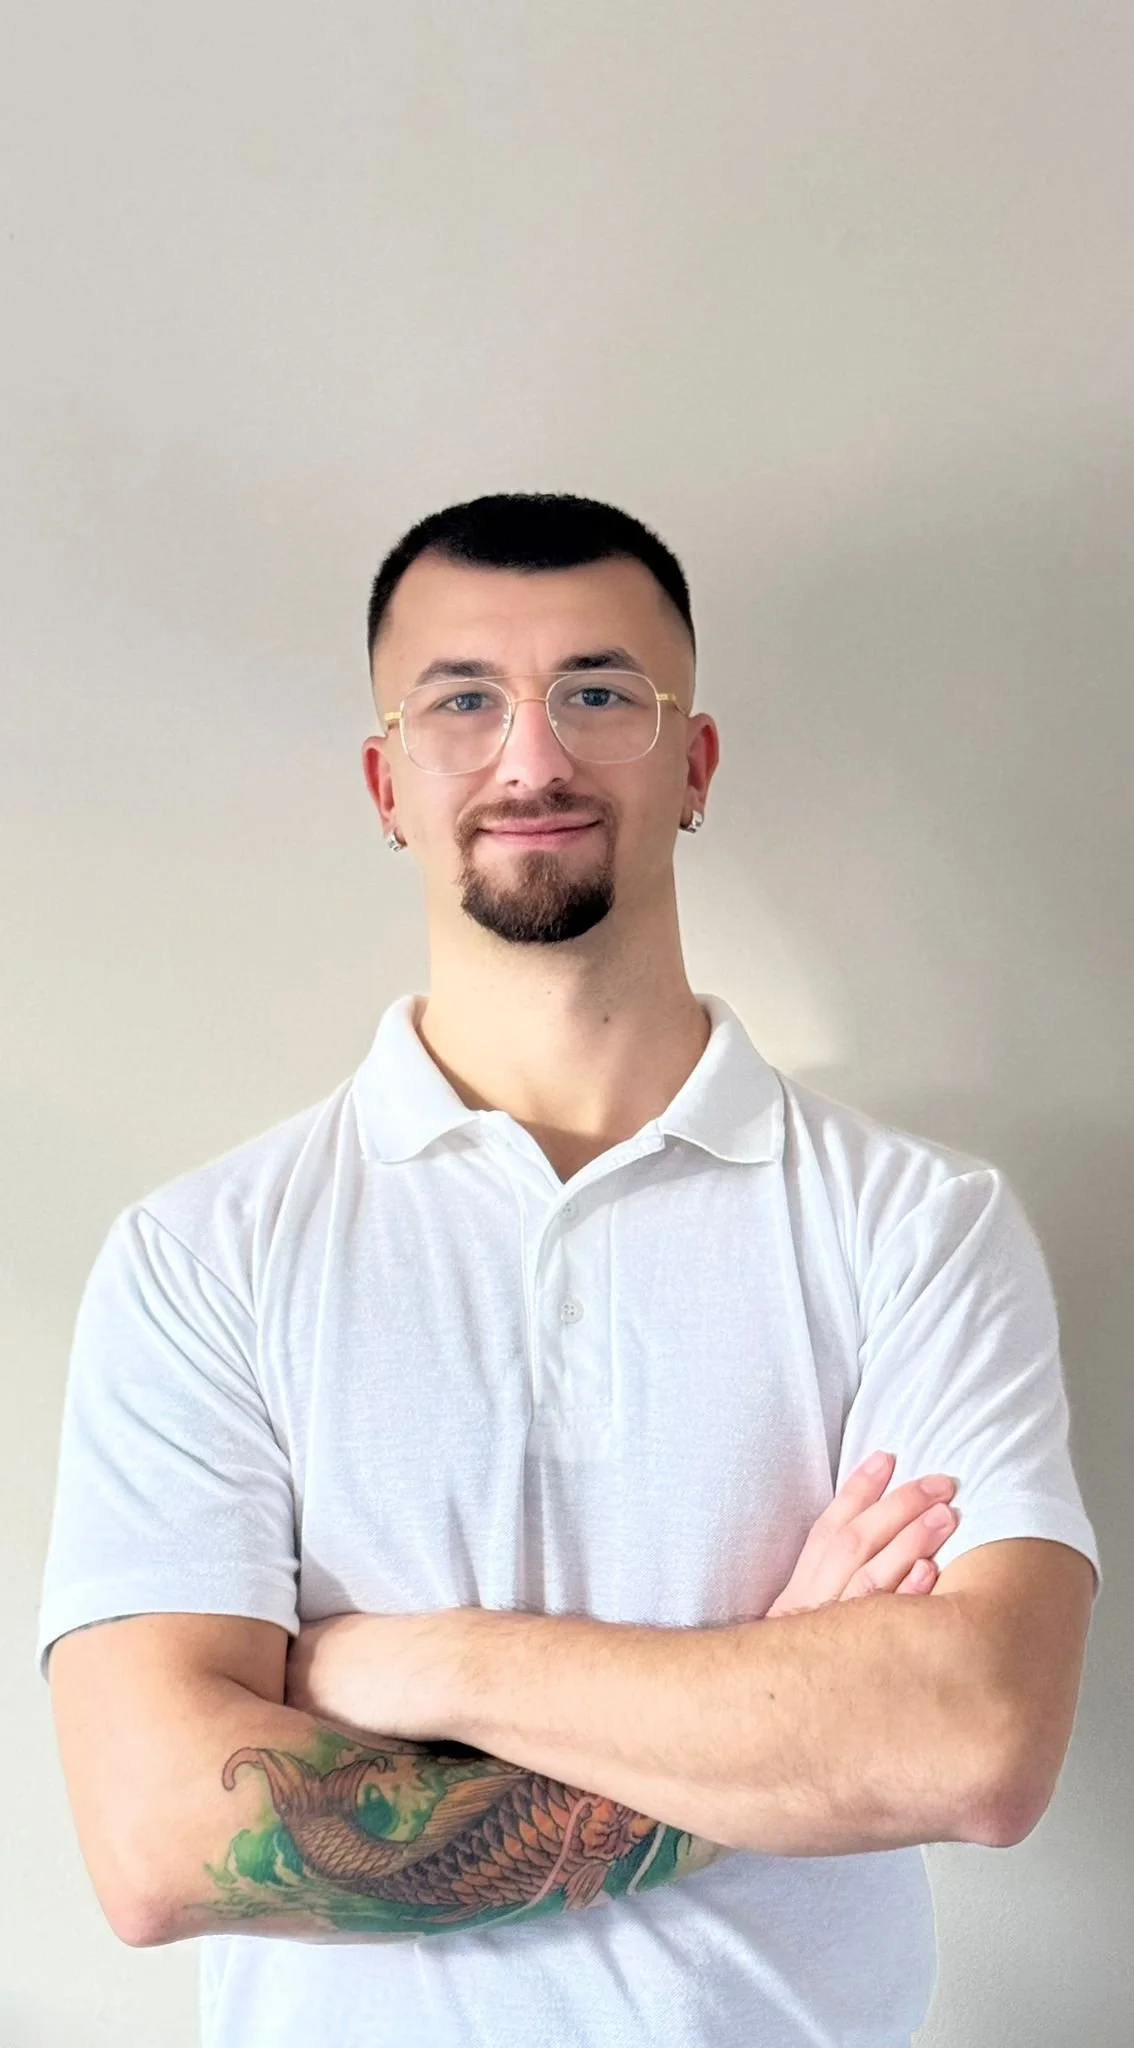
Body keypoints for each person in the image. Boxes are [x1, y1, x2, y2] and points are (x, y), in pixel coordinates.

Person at [37, 491, 1101, 2047]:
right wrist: (775, 1710)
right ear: (386, 779)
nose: (530, 757)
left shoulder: (914, 1224)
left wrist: (405, 1666)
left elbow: (969, 1743)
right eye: (461, 701)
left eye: (601, 695)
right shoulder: (206, 1257)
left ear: (695, 764)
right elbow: (157, 1838)